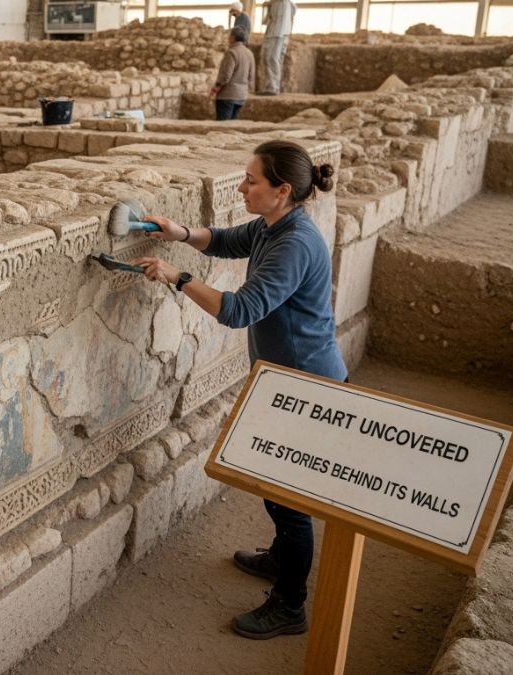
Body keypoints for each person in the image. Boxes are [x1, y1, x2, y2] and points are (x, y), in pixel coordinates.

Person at [131, 140, 345, 640]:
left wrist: (177, 276)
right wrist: (179, 233)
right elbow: (227, 239)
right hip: (283, 379)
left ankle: (290, 604)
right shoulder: (276, 224)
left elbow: (239, 310)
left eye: (252, 180)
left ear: (282, 189)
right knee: (272, 486)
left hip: (307, 386)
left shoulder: (295, 243)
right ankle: (281, 563)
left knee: (290, 503)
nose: (243, 186)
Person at [212, 27, 255, 121]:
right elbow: (251, 76)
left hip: (228, 95)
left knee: (223, 127)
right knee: (232, 125)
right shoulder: (249, 53)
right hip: (241, 96)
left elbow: (225, 76)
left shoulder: (231, 52)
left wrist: (215, 88)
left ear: (232, 38)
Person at [259, 0, 295, 95]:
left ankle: (272, 87)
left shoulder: (284, 3)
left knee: (272, 58)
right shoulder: (278, 3)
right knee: (273, 59)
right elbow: (266, 20)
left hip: (278, 33)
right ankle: (272, 86)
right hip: (278, 32)